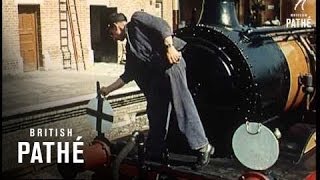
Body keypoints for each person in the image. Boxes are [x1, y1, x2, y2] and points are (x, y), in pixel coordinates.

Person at [100, 11, 214, 168]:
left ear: (115, 26)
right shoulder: (131, 48)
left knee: (182, 104)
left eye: (110, 33)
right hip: (159, 73)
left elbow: (162, 25)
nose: (112, 37)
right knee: (155, 107)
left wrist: (170, 47)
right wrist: (108, 89)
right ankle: (155, 150)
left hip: (171, 64)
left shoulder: (137, 19)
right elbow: (128, 74)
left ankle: (203, 146)